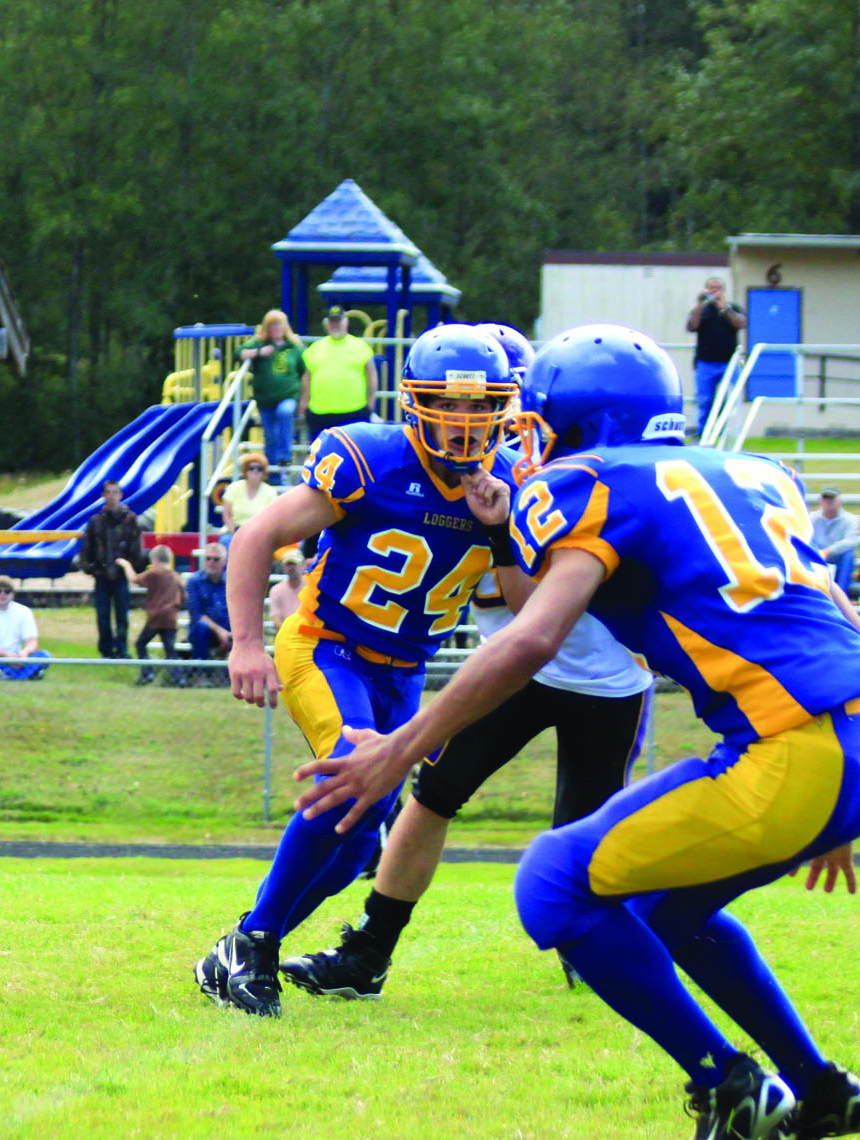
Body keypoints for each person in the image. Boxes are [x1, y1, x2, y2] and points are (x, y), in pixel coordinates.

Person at [295, 323, 860, 1140]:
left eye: (536, 420)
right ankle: (819, 1087)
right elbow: (834, 604)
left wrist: (402, 747)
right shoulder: (748, 471)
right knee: (667, 913)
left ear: (574, 423)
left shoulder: (587, 482)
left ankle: (727, 1082)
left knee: (550, 883)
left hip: (796, 748)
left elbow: (532, 636)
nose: (525, 438)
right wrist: (834, 796)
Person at [280, 322, 659, 1004]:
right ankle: (369, 949)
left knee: (582, 835)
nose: (494, 426)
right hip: (514, 670)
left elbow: (541, 597)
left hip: (603, 680)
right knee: (429, 795)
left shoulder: (598, 484)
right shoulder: (490, 474)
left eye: (504, 411)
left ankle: (601, 954)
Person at [193, 322, 519, 1019]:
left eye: (479, 404)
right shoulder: (370, 459)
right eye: (449, 404)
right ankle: (253, 942)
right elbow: (256, 535)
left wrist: (498, 528)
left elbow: (523, 607)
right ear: (416, 402)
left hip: (404, 674)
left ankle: (245, 944)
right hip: (326, 645)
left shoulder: (510, 480)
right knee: (352, 781)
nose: (465, 423)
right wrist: (246, 642)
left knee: (351, 848)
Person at [79, 480, 146, 658]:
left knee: (122, 615)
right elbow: (86, 548)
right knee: (103, 616)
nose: (112, 496)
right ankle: (106, 649)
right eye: (108, 492)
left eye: (115, 492)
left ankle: (122, 647)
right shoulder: (96, 521)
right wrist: (91, 568)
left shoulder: (130, 520)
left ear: (121, 495)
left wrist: (129, 566)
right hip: (101, 576)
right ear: (103, 495)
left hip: (121, 576)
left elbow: (137, 548)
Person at [241, 309, 306, 476]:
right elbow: (239, 353)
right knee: (270, 436)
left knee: (284, 413)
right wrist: (258, 353)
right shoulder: (259, 343)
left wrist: (304, 401)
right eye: (272, 326)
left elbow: (305, 373)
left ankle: (285, 455)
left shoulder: (295, 348)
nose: (276, 329)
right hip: (265, 399)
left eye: (279, 325)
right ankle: (273, 474)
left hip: (288, 396)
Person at [300, 306, 377, 439]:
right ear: (326, 324)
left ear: (346, 322)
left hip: (354, 411)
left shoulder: (360, 346)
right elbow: (307, 378)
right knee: (322, 454)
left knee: (354, 454)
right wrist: (304, 405)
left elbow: (372, 376)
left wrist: (370, 403)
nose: (334, 325)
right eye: (331, 322)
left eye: (338, 321)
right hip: (319, 413)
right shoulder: (315, 348)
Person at [686, 276, 745, 424]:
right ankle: (703, 433)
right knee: (705, 400)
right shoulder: (701, 310)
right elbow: (692, 327)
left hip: (729, 363)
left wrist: (724, 308)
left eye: (717, 288)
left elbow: (740, 324)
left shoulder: (733, 308)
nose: (714, 291)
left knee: (732, 397)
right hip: (705, 363)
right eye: (711, 288)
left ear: (723, 291)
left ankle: (728, 432)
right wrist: (700, 304)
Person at [0, 576, 49, 680]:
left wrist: (24, 654)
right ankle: (26, 674)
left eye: (7, 591)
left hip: (17, 658)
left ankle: (4, 675)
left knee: (44, 655)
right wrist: (6, 656)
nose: (2, 594)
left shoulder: (24, 611)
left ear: (13, 594)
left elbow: (32, 641)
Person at [127, 546, 182, 685]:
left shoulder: (154, 572)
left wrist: (125, 564)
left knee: (141, 644)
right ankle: (178, 677)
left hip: (156, 617)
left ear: (155, 559)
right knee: (170, 649)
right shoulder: (175, 576)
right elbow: (184, 596)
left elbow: (134, 579)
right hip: (171, 618)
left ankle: (147, 673)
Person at [184, 542, 232, 680]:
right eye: (208, 558)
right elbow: (196, 614)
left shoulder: (233, 581)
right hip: (205, 632)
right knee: (200, 627)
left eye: (216, 559)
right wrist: (220, 632)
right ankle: (200, 675)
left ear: (224, 562)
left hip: (230, 628)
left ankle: (234, 676)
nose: (211, 562)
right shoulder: (194, 582)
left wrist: (231, 633)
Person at [810, 488, 859, 600]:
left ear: (839, 500)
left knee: (849, 556)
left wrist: (829, 551)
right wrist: (819, 552)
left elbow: (852, 542)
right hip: (817, 556)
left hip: (838, 557)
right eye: (825, 498)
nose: (828, 501)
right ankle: (818, 594)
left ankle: (841, 594)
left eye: (832, 498)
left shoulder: (850, 519)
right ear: (821, 501)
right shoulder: (811, 518)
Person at [221, 452, 278, 540]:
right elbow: (226, 514)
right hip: (234, 531)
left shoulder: (270, 492)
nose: (255, 471)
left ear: (264, 472)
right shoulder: (234, 487)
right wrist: (234, 532)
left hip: (259, 534)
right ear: (245, 470)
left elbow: (272, 519)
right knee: (226, 541)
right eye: (251, 468)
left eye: (259, 469)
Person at [267, 552, 304, 627]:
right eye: (288, 564)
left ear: (303, 565)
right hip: (286, 632)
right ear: (283, 567)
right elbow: (275, 617)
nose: (291, 567)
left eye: (294, 564)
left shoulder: (311, 587)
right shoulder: (276, 590)